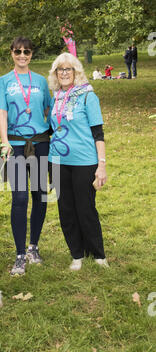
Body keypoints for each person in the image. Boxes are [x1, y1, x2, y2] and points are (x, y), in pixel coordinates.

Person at [47, 52, 109, 271]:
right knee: (66, 209)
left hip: (84, 161)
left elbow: (98, 134)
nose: (64, 73)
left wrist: (101, 165)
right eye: (60, 69)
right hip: (57, 161)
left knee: (85, 208)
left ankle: (98, 254)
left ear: (76, 72)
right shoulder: (54, 97)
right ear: (55, 73)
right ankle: (77, 254)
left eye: (68, 69)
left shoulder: (87, 96)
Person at [0, 36, 51, 275]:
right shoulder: (4, 82)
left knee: (40, 194)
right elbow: (2, 114)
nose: (22, 55)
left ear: (31, 54)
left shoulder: (40, 80)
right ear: (11, 53)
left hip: (40, 144)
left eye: (26, 51)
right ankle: (19, 254)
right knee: (19, 198)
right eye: (17, 51)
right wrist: (4, 141)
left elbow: (49, 110)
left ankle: (33, 246)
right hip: (16, 145)